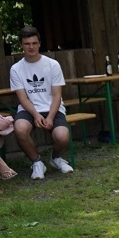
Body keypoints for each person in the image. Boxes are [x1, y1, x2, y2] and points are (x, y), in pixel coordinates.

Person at [8, 27, 75, 179]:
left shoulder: (53, 64)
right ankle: (37, 162)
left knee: (63, 137)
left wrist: (50, 117)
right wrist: (36, 115)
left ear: (39, 43)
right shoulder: (16, 69)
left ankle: (55, 158)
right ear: (21, 45)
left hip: (52, 108)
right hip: (29, 109)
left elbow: (57, 95)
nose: (31, 47)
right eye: (27, 44)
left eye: (34, 43)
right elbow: (23, 98)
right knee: (20, 129)